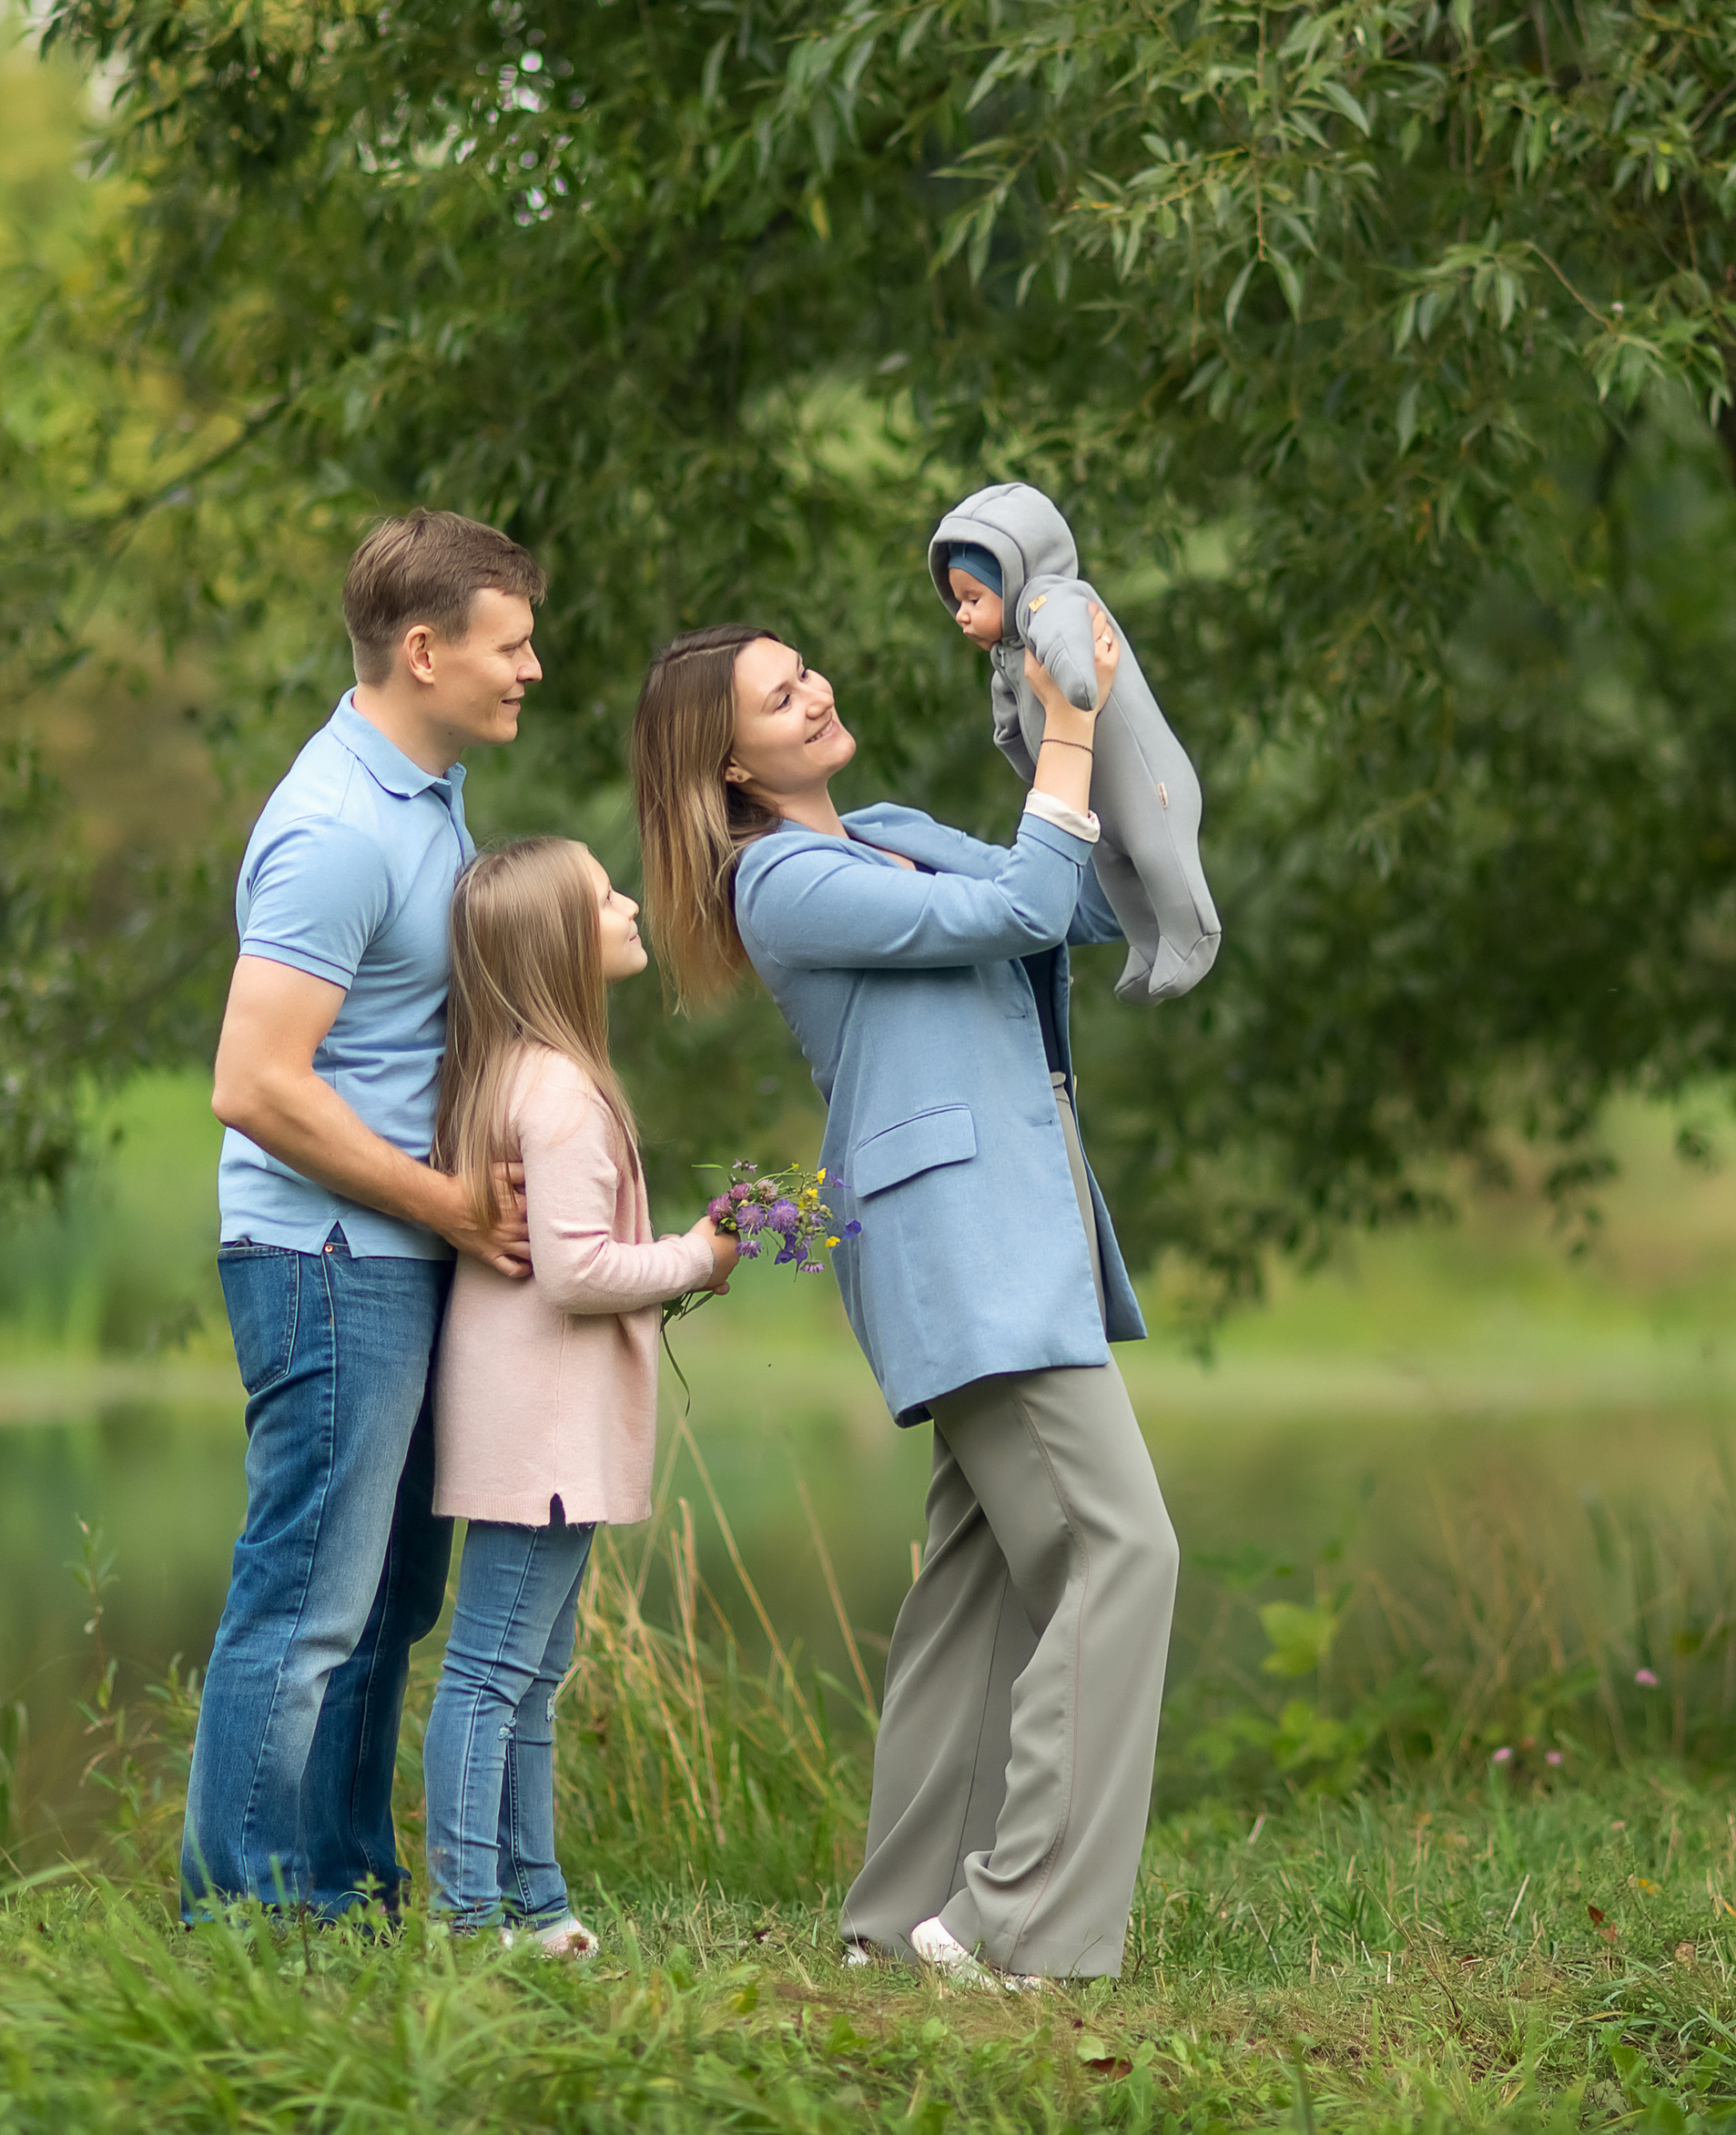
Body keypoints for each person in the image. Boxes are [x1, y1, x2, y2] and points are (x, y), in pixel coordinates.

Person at [631, 615, 1180, 1988]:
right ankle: (1011, 1925)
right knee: (1121, 1553)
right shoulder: (783, 880)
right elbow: (1012, 910)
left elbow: (1083, 902)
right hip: (963, 1244)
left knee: (983, 1586)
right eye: (775, 696)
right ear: (731, 767)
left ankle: (900, 1919)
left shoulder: (882, 825)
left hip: (1006, 1224)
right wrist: (1061, 732)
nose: (813, 691)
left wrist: (1077, 711)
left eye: (806, 668)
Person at [185, 510, 544, 1921]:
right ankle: (253, 1923)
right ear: (422, 649)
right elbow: (253, 1082)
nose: (530, 670)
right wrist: (448, 1203)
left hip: (393, 1253)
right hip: (328, 1259)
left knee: (389, 1608)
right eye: (508, 646)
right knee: (308, 1607)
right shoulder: (336, 828)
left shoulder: (421, 788)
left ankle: (341, 1892)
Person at [421, 837, 738, 1956]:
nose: (626, 903)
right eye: (604, 894)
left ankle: (537, 1902)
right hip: (539, 1442)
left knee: (534, 1676)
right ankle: (468, 1918)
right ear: (559, 941)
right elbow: (575, 1271)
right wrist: (695, 1257)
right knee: (493, 1675)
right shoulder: (556, 1093)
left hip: (543, 1435)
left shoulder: (518, 1073)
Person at [929, 480, 1222, 1003]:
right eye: (957, 600)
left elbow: (1074, 657)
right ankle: (1148, 946)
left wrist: (1075, 686)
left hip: (1147, 785)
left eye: (973, 598)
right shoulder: (1010, 652)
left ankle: (1193, 934)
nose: (962, 614)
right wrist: (1021, 752)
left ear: (1014, 576)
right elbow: (1009, 725)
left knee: (1157, 854)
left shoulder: (1051, 601)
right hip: (1095, 797)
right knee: (1112, 865)